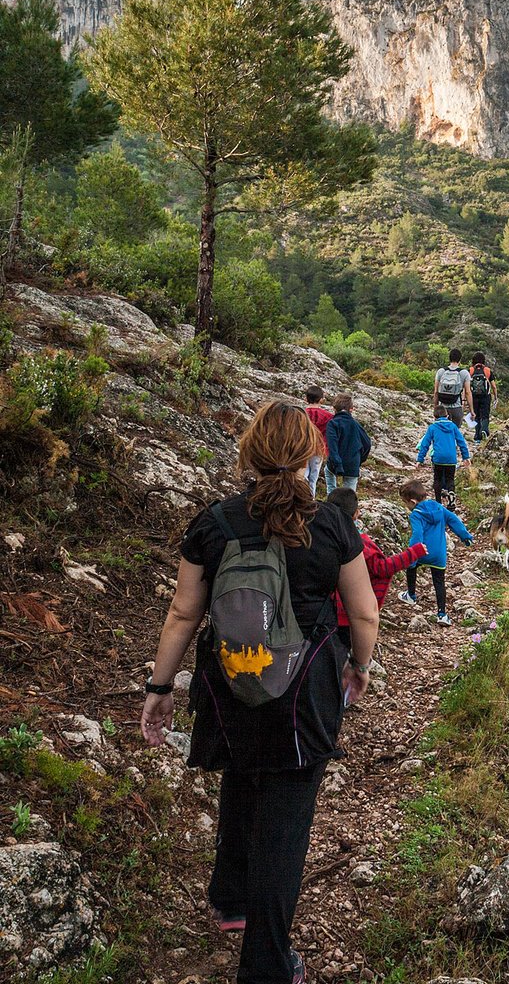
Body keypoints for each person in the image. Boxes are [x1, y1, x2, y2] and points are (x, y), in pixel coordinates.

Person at [139, 401, 379, 984]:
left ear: (250, 452)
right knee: (286, 819)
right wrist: (360, 669)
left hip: (229, 682)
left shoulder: (215, 522)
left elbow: (182, 613)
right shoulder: (330, 525)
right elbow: (364, 613)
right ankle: (267, 965)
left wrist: (160, 685)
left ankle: (231, 899)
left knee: (242, 772)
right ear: (309, 455)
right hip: (305, 693)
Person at [326, 487, 427, 648]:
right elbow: (383, 568)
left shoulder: (324, 539)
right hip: (349, 613)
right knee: (347, 654)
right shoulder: (360, 545)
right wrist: (413, 553)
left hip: (324, 611)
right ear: (356, 513)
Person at [397, 477, 473, 627]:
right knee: (439, 582)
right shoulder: (439, 507)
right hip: (439, 554)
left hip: (422, 552)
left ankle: (411, 595)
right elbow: (453, 520)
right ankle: (442, 614)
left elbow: (417, 534)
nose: (407, 506)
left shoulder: (416, 514)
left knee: (411, 568)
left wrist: (412, 553)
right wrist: (465, 536)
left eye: (406, 503)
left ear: (412, 502)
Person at [417, 404, 471, 509]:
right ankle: (451, 495)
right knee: (450, 479)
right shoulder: (453, 427)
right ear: (447, 416)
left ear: (435, 417)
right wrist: (466, 457)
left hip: (438, 458)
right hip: (451, 459)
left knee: (437, 479)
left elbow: (425, 444)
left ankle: (438, 502)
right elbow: (461, 442)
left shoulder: (432, 427)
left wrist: (420, 459)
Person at [324, 394, 372, 495]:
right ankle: (348, 508)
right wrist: (360, 458)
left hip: (336, 463)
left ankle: (331, 499)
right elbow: (367, 443)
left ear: (334, 409)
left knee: (328, 473)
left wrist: (337, 463)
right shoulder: (355, 424)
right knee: (349, 493)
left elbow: (332, 447)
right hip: (353, 462)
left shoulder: (332, 424)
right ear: (351, 409)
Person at [433, 348, 474, 429]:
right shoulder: (464, 373)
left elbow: (436, 392)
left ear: (449, 358)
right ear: (460, 360)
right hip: (456, 408)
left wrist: (436, 408)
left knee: (442, 431)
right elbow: (468, 393)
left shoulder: (441, 371)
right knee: (455, 431)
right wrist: (471, 410)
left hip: (442, 408)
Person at [304, 385, 332, 498]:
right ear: (321, 400)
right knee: (313, 477)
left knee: (303, 474)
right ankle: (312, 498)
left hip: (303, 448)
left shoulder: (301, 414)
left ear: (306, 399)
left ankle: (302, 497)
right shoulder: (328, 416)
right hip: (319, 448)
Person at [469, 353, 497, 442]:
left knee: (476, 415)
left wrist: (465, 399)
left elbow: (466, 386)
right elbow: (493, 386)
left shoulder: (470, 371)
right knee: (485, 415)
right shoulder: (487, 371)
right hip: (485, 397)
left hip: (474, 397)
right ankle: (484, 430)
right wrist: (496, 397)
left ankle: (477, 436)